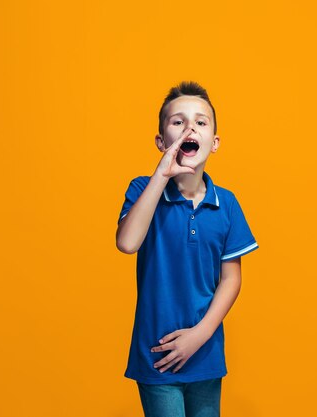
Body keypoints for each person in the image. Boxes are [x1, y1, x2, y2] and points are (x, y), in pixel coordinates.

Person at [116, 81, 258, 417]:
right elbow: (127, 242)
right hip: (157, 353)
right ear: (161, 141)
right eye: (178, 122)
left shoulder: (227, 204)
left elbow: (231, 279)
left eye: (200, 121)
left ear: (215, 142)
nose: (189, 127)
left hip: (205, 352)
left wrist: (200, 334)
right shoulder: (143, 189)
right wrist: (162, 173)